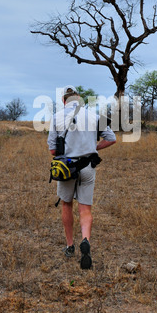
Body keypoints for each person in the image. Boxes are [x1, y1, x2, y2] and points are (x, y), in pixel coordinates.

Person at [47, 85, 116, 269]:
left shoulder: (57, 118)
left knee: (66, 204)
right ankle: (85, 240)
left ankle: (70, 246)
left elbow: (53, 150)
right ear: (80, 100)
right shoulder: (94, 116)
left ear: (64, 101)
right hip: (88, 167)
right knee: (85, 210)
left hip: (66, 168)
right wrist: (94, 148)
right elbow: (111, 138)